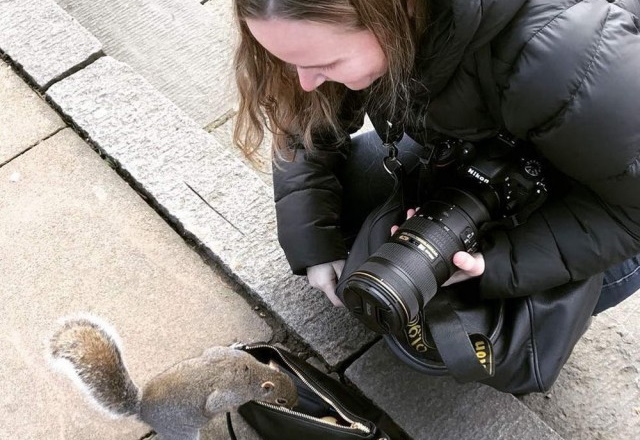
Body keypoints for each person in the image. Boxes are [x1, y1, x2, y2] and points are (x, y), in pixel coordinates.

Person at [231, 0, 640, 319]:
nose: (304, 81)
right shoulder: (373, 24)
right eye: (290, 61)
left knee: (465, 329)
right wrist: (314, 242)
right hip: (476, 149)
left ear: (397, 10)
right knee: (364, 253)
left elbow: (632, 212)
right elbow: (308, 124)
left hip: (608, 193)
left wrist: (497, 264)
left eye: (324, 64)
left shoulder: (564, 58)